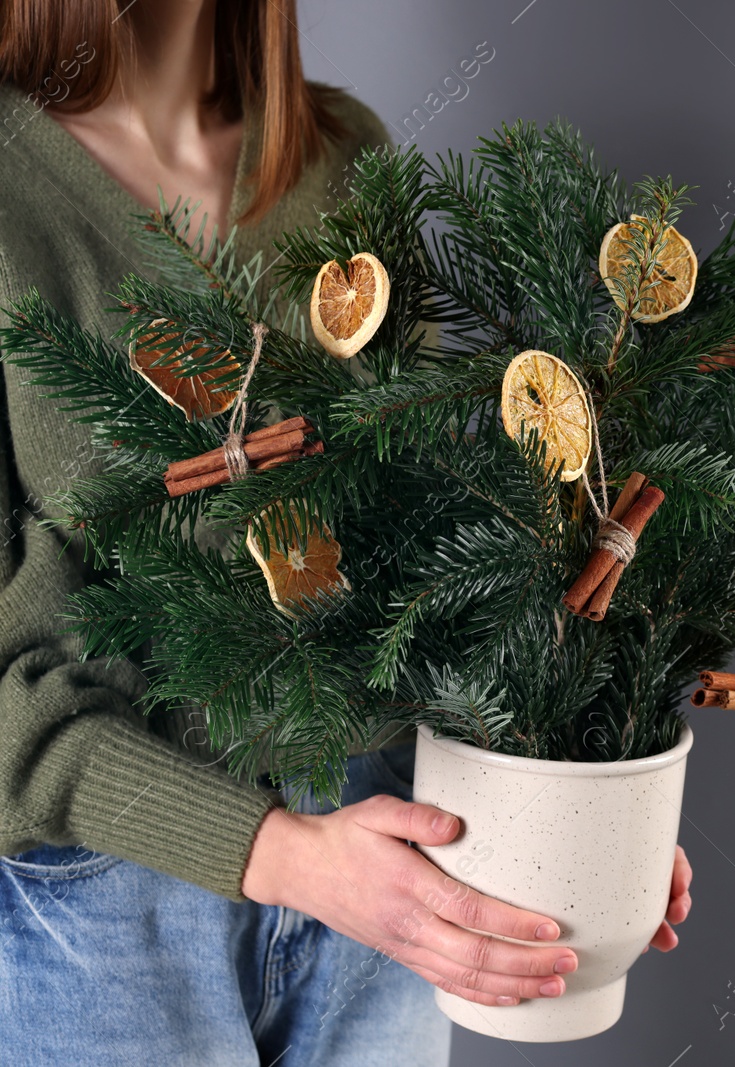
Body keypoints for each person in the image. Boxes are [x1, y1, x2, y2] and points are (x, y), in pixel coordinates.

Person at [0, 2, 691, 1063]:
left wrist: (570, 793)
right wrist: (283, 857)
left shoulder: (343, 158)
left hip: (396, 846)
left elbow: (438, 544)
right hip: (109, 891)